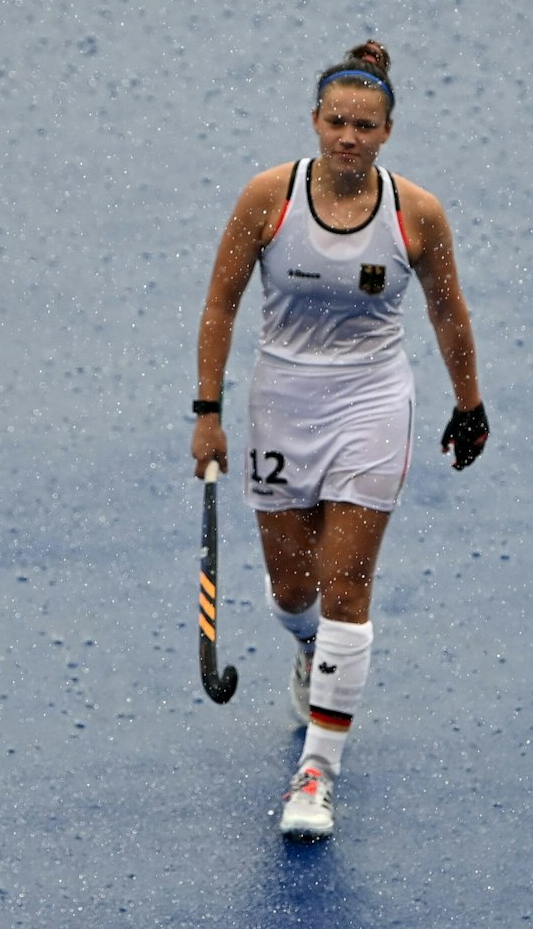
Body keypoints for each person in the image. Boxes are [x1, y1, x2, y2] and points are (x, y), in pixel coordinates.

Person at [188, 41, 489, 840]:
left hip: (372, 400)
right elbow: (220, 302)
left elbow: (448, 313)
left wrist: (469, 403)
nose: (348, 137)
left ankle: (318, 770)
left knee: (348, 586)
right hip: (281, 399)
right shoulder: (269, 196)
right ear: (315, 121)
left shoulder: (416, 214)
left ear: (387, 132)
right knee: (296, 591)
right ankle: (311, 648)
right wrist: (206, 410)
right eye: (335, 121)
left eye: (365, 125)